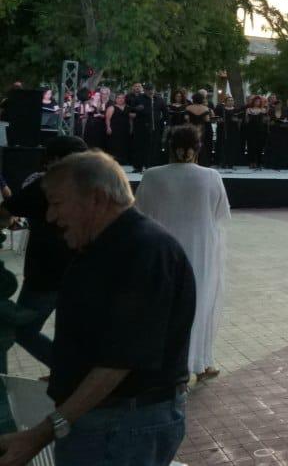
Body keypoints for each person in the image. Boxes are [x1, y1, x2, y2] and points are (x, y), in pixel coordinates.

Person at [0, 151, 195, 466]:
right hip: (108, 424)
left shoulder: (143, 251)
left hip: (122, 428)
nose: (50, 216)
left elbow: (118, 362)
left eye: (57, 203)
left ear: (97, 198)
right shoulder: (102, 247)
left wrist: (41, 434)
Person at [134, 125, 229, 384]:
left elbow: (139, 212)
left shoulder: (152, 176)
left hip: (161, 251)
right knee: (199, 305)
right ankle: (197, 362)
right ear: (198, 149)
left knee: (162, 307)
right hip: (201, 251)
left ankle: (165, 365)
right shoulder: (211, 176)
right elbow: (220, 214)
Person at [0, 136, 87, 368]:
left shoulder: (45, 185)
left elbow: (5, 212)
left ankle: (63, 370)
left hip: (46, 274)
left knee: (24, 330)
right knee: (75, 334)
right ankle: (70, 373)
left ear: (54, 160)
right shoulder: (95, 186)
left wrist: (8, 222)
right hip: (84, 272)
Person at [126, 83, 151, 173]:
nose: (149, 91)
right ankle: (137, 166)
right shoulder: (134, 98)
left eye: (139, 87)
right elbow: (130, 109)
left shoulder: (154, 99)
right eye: (135, 86)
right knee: (138, 145)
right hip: (138, 124)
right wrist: (137, 109)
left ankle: (147, 165)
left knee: (148, 146)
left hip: (150, 125)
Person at [184, 92, 214, 167]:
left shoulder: (188, 108)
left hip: (191, 129)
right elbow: (207, 120)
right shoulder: (205, 108)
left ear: (193, 99)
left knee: (191, 145)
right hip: (201, 129)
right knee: (201, 145)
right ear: (201, 99)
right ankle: (201, 163)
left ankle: (191, 161)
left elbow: (186, 119)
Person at [215, 95, 242, 170]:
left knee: (232, 147)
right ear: (225, 102)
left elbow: (240, 120)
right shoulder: (222, 110)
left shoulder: (236, 110)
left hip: (233, 130)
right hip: (223, 130)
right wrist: (219, 120)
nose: (231, 102)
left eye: (232, 100)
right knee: (223, 147)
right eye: (229, 100)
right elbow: (217, 119)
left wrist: (237, 120)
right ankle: (223, 162)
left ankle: (231, 163)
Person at [104, 93, 130, 165]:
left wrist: (131, 128)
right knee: (114, 145)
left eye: (122, 98)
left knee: (124, 144)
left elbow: (130, 119)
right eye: (119, 98)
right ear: (116, 99)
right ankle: (113, 160)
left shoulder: (128, 107)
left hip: (125, 129)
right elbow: (107, 119)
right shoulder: (112, 107)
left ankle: (123, 160)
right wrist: (108, 127)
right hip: (115, 129)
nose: (121, 99)